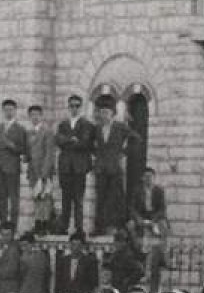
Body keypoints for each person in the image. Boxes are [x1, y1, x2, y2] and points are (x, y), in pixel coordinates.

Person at [91, 96, 140, 235]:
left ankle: (117, 227)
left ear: (112, 113)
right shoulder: (97, 128)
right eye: (101, 112)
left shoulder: (120, 127)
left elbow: (136, 138)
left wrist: (124, 152)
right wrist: (97, 155)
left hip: (114, 168)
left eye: (106, 112)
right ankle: (99, 227)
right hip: (101, 168)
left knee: (115, 197)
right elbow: (89, 143)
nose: (104, 115)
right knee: (100, 198)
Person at [55, 95, 95, 236]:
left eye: (77, 106)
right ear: (68, 107)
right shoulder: (63, 124)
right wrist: (71, 140)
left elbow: (85, 142)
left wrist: (69, 142)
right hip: (65, 166)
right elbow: (58, 140)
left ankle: (79, 228)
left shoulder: (86, 124)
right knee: (65, 198)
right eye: (72, 105)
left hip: (79, 166)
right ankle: (63, 226)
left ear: (81, 107)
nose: (74, 108)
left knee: (78, 199)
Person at [0, 99, 27, 229]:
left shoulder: (20, 129)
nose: (8, 112)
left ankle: (13, 225)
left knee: (14, 198)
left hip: (12, 167)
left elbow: (22, 148)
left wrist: (8, 143)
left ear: (15, 111)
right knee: (2, 198)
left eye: (11, 110)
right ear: (3, 111)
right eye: (6, 110)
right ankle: (4, 223)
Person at [25, 104, 56, 235]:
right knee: (36, 197)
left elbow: (49, 153)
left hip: (44, 171)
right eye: (32, 115)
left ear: (41, 116)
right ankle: (37, 222)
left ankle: (45, 223)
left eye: (37, 115)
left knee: (45, 197)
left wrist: (44, 173)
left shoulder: (47, 132)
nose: (35, 118)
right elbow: (28, 152)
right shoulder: (29, 133)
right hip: (33, 171)